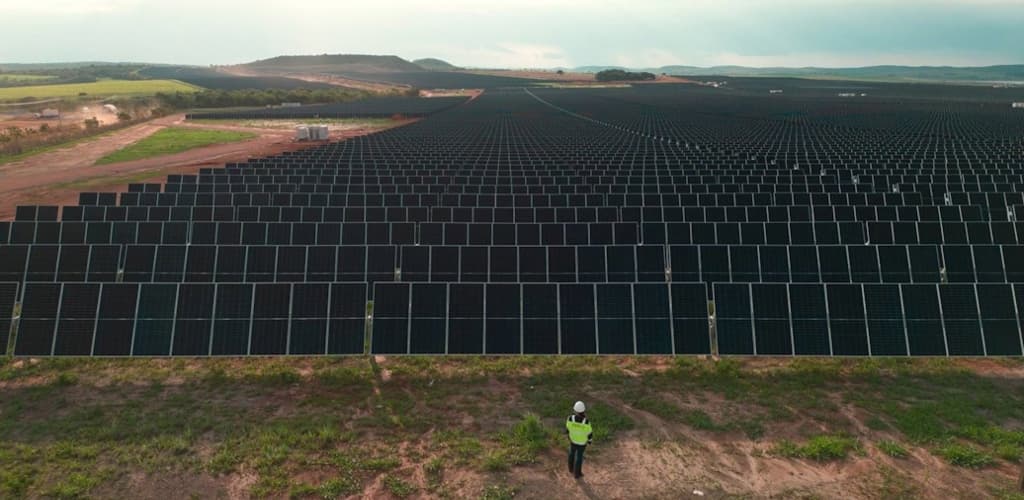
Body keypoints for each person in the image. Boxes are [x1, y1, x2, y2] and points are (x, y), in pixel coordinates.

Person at [566, 400, 593, 479]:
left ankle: (570, 469)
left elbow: (567, 429)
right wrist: (590, 441)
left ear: (574, 410)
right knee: (579, 457)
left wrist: (569, 436)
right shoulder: (586, 422)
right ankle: (577, 474)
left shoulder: (570, 419)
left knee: (571, 453)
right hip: (582, 443)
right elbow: (590, 433)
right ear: (584, 411)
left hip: (573, 440)